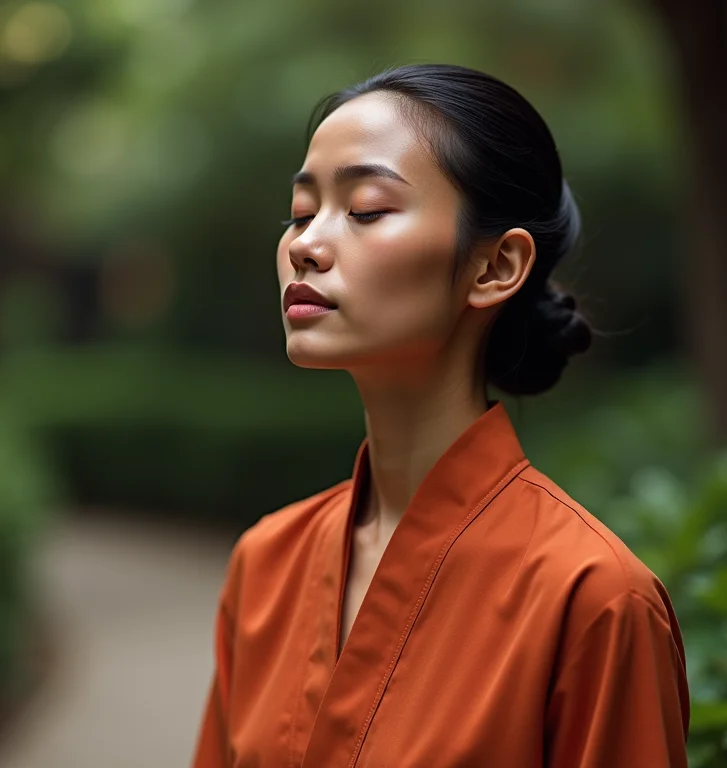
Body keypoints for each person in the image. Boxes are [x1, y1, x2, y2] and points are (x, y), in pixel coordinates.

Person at [191, 63, 690, 767]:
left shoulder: (592, 597)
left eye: (365, 209)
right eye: (302, 213)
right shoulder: (266, 562)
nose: (305, 244)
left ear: (495, 267)